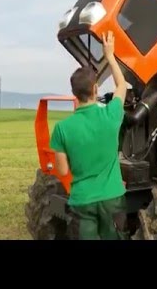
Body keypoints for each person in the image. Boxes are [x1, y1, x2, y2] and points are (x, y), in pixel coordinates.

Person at [49, 30, 128, 240]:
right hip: (112, 199)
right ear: (95, 89)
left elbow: (63, 169)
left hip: (82, 201)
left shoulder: (61, 129)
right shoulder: (111, 115)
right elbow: (121, 86)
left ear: (75, 93)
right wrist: (109, 55)